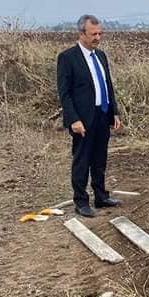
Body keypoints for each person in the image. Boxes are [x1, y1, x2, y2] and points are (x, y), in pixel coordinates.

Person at [56, 14, 122, 218]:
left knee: (99, 159)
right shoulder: (68, 58)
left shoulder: (101, 56)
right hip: (82, 119)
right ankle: (81, 201)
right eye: (93, 34)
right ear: (81, 33)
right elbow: (64, 93)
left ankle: (101, 196)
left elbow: (108, 86)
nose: (98, 37)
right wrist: (73, 119)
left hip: (102, 114)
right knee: (82, 160)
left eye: (100, 33)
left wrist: (114, 112)